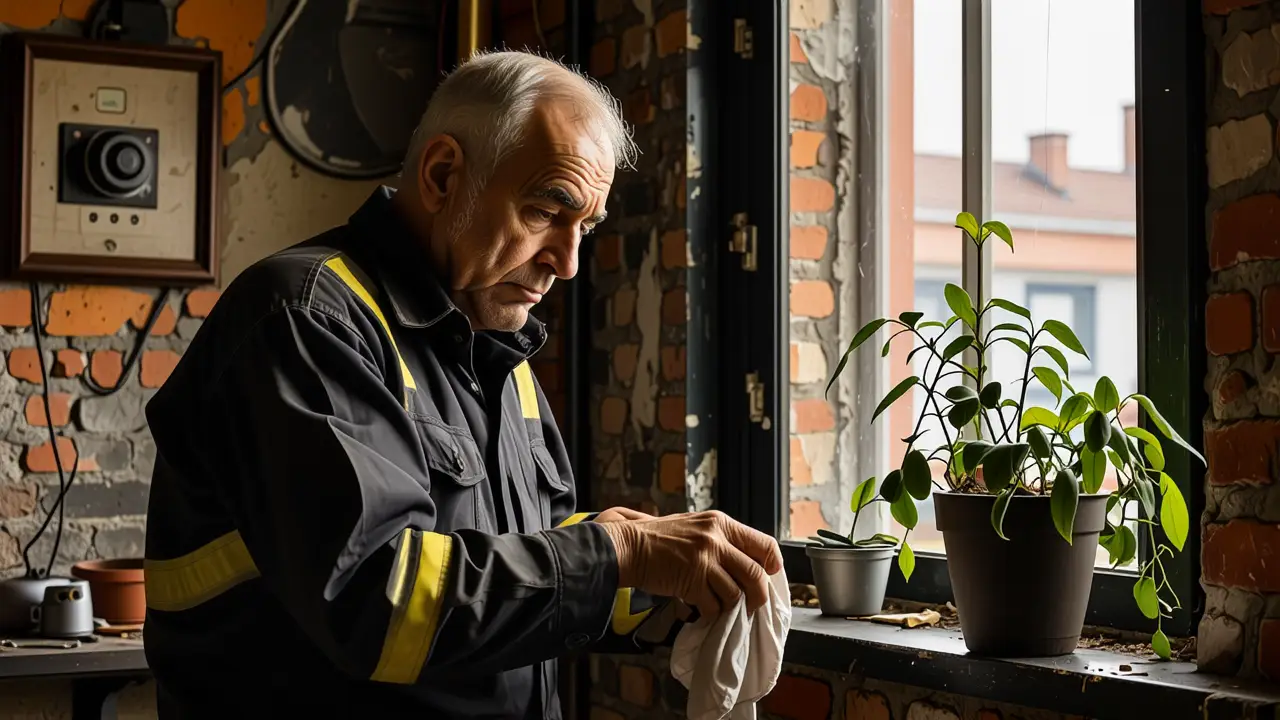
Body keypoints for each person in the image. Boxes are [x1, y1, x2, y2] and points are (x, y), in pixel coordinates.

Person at [142, 50, 782, 718]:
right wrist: (616, 554)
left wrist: (660, 578)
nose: (566, 264)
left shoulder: (497, 352)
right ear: (445, 175)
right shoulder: (305, 320)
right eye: (546, 210)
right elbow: (378, 602)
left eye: (584, 227)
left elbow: (510, 563)